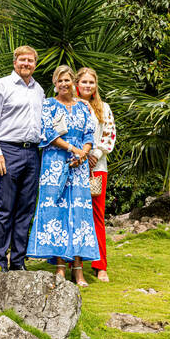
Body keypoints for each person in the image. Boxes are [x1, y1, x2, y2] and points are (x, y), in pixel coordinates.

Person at [26, 65, 99, 287]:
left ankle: (78, 270)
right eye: (60, 80)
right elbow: (48, 133)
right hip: (54, 165)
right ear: (54, 83)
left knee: (78, 214)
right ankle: (59, 267)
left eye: (67, 80)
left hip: (78, 167)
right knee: (56, 213)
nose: (64, 84)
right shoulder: (48, 105)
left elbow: (89, 133)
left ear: (73, 82)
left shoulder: (83, 107)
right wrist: (73, 149)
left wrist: (83, 153)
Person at [0, 45, 45, 271]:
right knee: (5, 209)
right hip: (8, 151)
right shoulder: (2, 86)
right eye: (22, 60)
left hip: (33, 153)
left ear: (35, 64)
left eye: (30, 60)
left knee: (25, 210)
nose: (26, 64)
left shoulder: (39, 90)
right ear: (15, 62)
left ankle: (18, 262)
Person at [76, 67, 116, 282]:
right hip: (75, 167)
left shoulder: (103, 107)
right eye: (84, 82)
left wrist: (96, 153)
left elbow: (110, 135)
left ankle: (100, 265)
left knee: (96, 215)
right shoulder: (71, 105)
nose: (88, 86)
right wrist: (81, 154)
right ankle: (75, 263)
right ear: (77, 84)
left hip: (97, 168)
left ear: (96, 86)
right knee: (76, 215)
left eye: (91, 82)